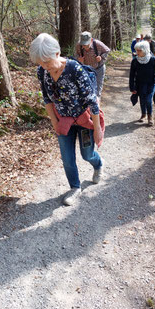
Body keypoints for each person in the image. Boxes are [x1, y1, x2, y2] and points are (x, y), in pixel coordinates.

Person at [29, 33, 105, 206]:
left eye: (46, 61)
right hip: (63, 121)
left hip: (84, 120)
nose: (43, 66)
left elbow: (92, 101)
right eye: (40, 62)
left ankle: (98, 163)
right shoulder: (42, 71)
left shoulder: (74, 69)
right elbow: (47, 98)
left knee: (87, 155)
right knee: (67, 159)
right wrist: (55, 123)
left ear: (57, 53)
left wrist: (98, 130)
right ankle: (75, 188)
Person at [129, 40, 155, 126]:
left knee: (148, 99)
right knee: (142, 99)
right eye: (137, 50)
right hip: (140, 84)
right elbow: (132, 75)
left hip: (151, 83)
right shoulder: (135, 61)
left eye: (139, 50)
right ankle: (143, 114)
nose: (137, 52)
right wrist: (132, 87)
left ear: (145, 50)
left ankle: (150, 116)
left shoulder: (153, 60)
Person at [76, 31, 110, 98]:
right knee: (87, 88)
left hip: (99, 69)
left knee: (97, 90)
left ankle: (97, 105)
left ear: (91, 40)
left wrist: (101, 57)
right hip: (86, 69)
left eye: (86, 44)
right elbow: (76, 55)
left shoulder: (98, 44)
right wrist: (79, 59)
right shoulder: (78, 45)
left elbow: (107, 51)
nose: (84, 46)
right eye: (83, 44)